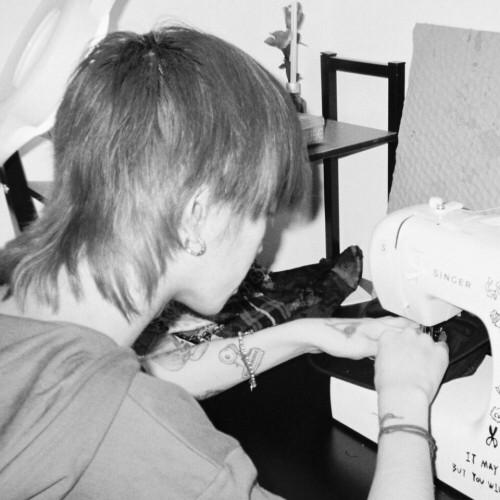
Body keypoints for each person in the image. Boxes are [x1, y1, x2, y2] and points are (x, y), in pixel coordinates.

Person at [0, 26, 448, 499]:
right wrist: (405, 404)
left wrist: (309, 333)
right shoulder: (147, 442)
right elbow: (130, 412)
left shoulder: (26, 315)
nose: (261, 244)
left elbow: (155, 372)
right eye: (262, 213)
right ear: (197, 216)